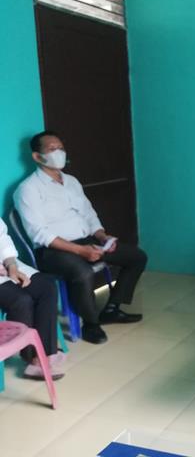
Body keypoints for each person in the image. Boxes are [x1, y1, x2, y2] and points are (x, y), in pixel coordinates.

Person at [14, 131, 147, 345]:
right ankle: (91, 324)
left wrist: (102, 236)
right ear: (37, 157)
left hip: (85, 241)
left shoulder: (72, 181)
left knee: (136, 257)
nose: (59, 153)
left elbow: (88, 213)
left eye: (61, 148)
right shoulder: (28, 189)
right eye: (52, 149)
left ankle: (112, 309)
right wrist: (80, 251)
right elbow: (39, 233)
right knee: (82, 272)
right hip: (52, 250)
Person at [0, 217, 64, 380]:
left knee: (46, 288)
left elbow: (2, 237)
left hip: (6, 264)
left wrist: (11, 265)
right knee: (21, 300)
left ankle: (45, 353)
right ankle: (33, 355)